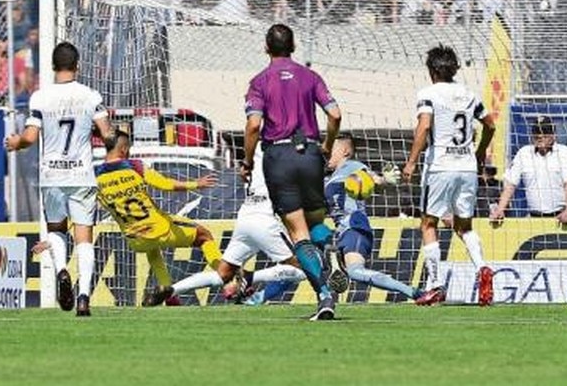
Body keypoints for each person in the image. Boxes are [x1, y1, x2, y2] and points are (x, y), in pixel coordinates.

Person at [240, 23, 342, 321]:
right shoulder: (311, 76)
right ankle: (332, 249)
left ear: (266, 47)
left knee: (298, 233)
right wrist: (327, 145)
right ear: (294, 46)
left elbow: (254, 126)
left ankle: (324, 294)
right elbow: (335, 114)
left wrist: (247, 161)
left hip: (279, 155)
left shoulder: (259, 81)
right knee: (315, 224)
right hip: (310, 153)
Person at [6, 41, 114, 317]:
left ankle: (61, 271)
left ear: (53, 67)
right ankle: (84, 298)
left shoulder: (40, 97)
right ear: (78, 65)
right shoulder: (91, 95)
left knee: (56, 230)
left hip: (52, 175)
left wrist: (15, 142)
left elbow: (30, 138)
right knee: (84, 238)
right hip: (82, 174)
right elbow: (107, 134)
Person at [139, 134, 305, 306]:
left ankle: (171, 290)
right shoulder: (282, 150)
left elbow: (252, 138)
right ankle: (251, 277)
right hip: (265, 217)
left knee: (223, 273)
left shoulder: (255, 152)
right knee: (305, 267)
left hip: (246, 216)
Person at [403, 45, 496, 306]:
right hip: (466, 166)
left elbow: (424, 126)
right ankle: (483, 267)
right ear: (454, 69)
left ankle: (434, 285)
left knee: (428, 224)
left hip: (440, 166)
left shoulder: (428, 94)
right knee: (463, 226)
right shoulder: (469, 94)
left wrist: (411, 162)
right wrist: (478, 154)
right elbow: (490, 125)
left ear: (432, 71)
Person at [325, 134, 418, 300]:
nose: (327, 152)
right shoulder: (330, 178)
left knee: (356, 272)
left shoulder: (352, 166)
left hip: (355, 227)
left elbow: (372, 178)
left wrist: (385, 180)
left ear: (345, 151)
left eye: (331, 148)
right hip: (342, 231)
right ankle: (333, 269)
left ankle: (412, 292)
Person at [490, 115, 567, 223]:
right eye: (536, 132)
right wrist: (500, 209)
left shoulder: (563, 152)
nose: (540, 136)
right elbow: (510, 185)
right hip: (533, 218)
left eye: (545, 132)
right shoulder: (524, 153)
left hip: (560, 217)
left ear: (553, 135)